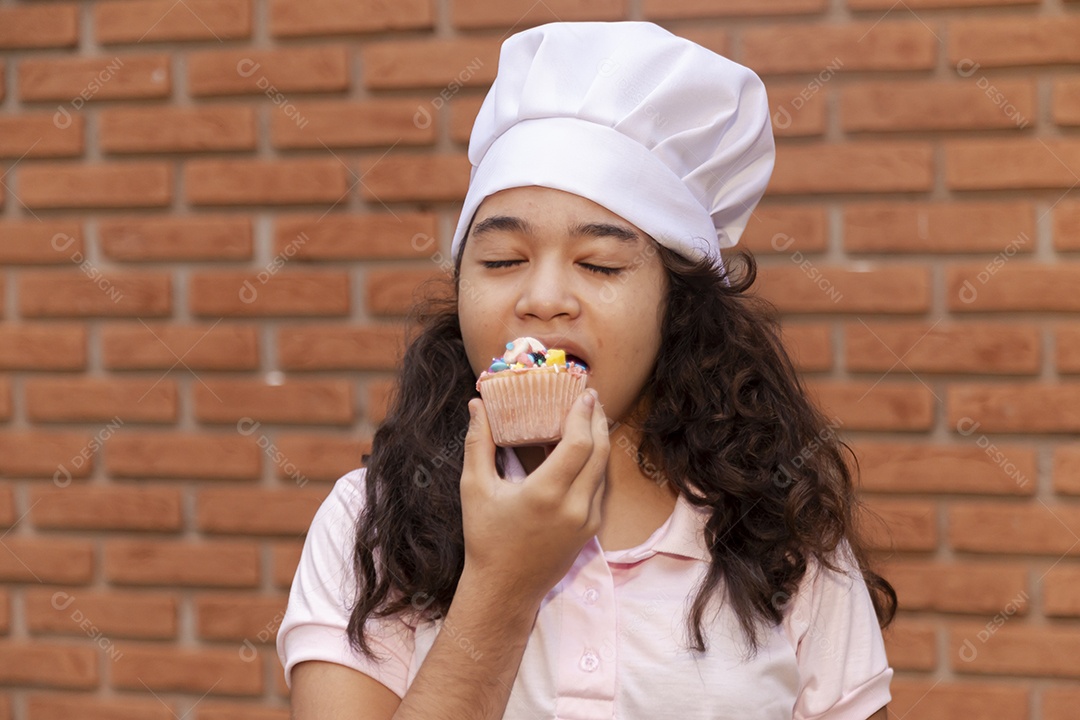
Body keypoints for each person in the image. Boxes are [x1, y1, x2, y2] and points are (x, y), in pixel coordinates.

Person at [278, 20, 897, 720]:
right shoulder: (371, 524)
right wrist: (503, 585)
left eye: (599, 264)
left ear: (679, 306)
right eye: (503, 261)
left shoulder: (783, 534)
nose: (542, 299)